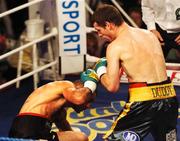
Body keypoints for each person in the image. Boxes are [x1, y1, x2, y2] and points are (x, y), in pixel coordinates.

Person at [91, 4, 178, 141]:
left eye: (99, 30)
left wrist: (99, 70)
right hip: (169, 98)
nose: (99, 35)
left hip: (143, 102)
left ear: (108, 25)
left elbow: (112, 86)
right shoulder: (149, 34)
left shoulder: (115, 46)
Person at [8, 69, 99, 141]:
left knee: (77, 137)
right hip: (27, 130)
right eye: (89, 99)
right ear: (79, 89)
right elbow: (79, 98)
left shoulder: (59, 110)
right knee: (81, 138)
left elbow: (67, 132)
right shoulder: (66, 84)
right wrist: (91, 84)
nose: (89, 105)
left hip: (32, 132)